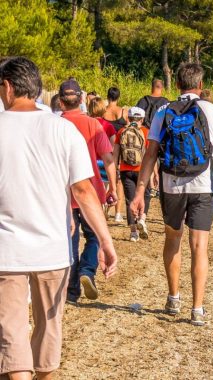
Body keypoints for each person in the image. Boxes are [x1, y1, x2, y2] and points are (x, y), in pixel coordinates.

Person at [0, 56, 117, 380]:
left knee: (12, 331)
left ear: (8, 87)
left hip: (6, 252)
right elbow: (83, 191)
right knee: (49, 328)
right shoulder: (64, 131)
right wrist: (106, 242)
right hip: (53, 250)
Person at [130, 63, 213, 326]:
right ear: (200, 86)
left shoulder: (163, 112)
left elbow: (150, 154)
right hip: (205, 186)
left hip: (172, 185)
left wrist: (140, 191)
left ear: (176, 85)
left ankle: (173, 297)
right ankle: (197, 309)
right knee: (199, 246)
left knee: (173, 239)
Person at [60, 79, 118, 303]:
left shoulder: (57, 124)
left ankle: (71, 290)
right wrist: (112, 187)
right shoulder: (94, 125)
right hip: (91, 190)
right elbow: (108, 158)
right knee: (94, 237)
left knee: (70, 241)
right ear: (82, 100)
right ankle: (87, 270)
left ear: (60, 101)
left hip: (65, 193)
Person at [113, 107, 156, 242]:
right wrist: (155, 174)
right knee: (146, 195)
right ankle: (142, 218)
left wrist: (115, 171)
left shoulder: (121, 132)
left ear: (128, 118)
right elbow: (151, 156)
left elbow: (115, 155)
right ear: (142, 119)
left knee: (130, 200)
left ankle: (133, 233)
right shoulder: (146, 132)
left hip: (126, 170)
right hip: (143, 171)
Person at [103, 87, 127, 223]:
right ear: (118, 97)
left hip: (103, 149)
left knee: (104, 181)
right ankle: (118, 213)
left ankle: (105, 208)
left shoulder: (102, 111)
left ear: (107, 96)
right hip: (119, 151)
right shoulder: (123, 112)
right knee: (119, 182)